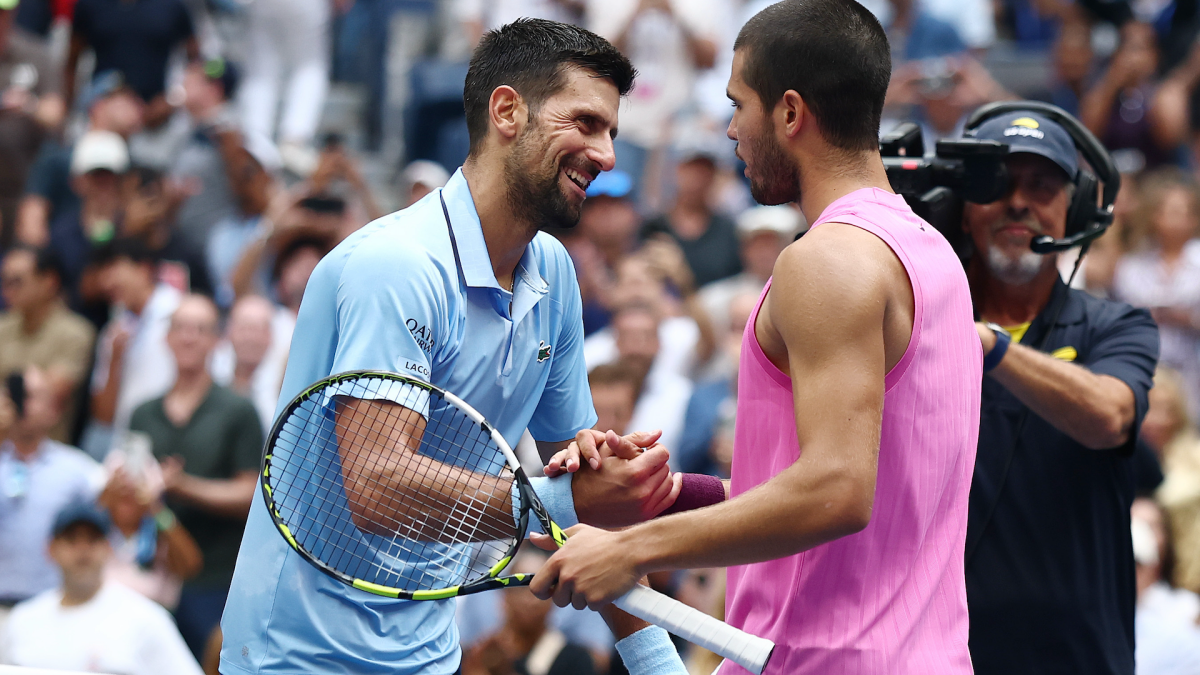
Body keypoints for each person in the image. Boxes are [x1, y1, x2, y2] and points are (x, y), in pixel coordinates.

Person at [221, 19, 687, 675]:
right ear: (507, 111)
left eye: (610, 130)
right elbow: (378, 486)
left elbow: (575, 496)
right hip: (300, 656)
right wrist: (563, 502)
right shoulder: (398, 265)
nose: (606, 153)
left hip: (428, 653)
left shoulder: (553, 277)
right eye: (585, 122)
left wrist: (655, 662)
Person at [537, 1, 982, 672]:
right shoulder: (931, 252)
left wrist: (631, 548)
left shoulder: (827, 261)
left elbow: (836, 490)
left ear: (791, 113)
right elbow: (874, 492)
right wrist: (667, 495)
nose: (730, 129)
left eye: (738, 103)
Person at [955, 106, 1160, 675]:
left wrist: (987, 346)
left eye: (1042, 184)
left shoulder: (1117, 326)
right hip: (943, 657)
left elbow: (1110, 416)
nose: (1018, 200)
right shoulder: (914, 324)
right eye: (998, 182)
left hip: (1080, 658)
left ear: (1079, 208)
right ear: (962, 206)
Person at [128, 294, 262, 658]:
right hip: (153, 576)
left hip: (219, 576)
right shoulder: (143, 414)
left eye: (200, 330)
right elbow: (129, 501)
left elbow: (253, 494)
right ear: (166, 338)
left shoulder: (237, 410)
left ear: (217, 340)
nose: (189, 338)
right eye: (180, 328)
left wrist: (184, 486)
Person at [0, 501, 204, 675]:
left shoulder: (146, 619)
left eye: (92, 539)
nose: (82, 550)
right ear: (51, 549)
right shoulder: (23, 619)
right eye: (71, 539)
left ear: (108, 548)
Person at [0, 366, 104, 614]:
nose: (21, 404)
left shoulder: (78, 468)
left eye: (33, 396)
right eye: (16, 395)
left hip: (53, 608)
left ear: (54, 410)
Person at [83, 238, 181, 460]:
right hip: (127, 446)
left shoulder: (180, 313)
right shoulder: (113, 332)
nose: (106, 282)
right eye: (102, 273)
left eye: (113, 269)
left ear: (143, 268)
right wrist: (115, 359)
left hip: (175, 440)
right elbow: (103, 417)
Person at [0, 245, 96, 442]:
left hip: (48, 452)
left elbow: (42, 396)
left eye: (17, 281)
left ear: (49, 281)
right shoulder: (2, 327)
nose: (7, 290)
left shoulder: (76, 333)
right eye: (4, 281)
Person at [461, 548, 597, 675]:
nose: (530, 600)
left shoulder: (575, 661)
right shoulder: (481, 653)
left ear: (554, 599)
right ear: (504, 596)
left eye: (542, 590)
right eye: (521, 589)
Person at [65, 0, 197, 129]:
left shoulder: (173, 5)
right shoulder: (90, 4)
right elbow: (71, 62)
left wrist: (172, 99)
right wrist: (71, 113)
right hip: (104, 110)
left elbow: (196, 62)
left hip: (160, 120)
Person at [210, 294, 286, 435]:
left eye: (258, 329)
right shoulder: (209, 374)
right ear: (229, 332)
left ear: (271, 336)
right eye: (244, 328)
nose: (250, 338)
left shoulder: (284, 383)